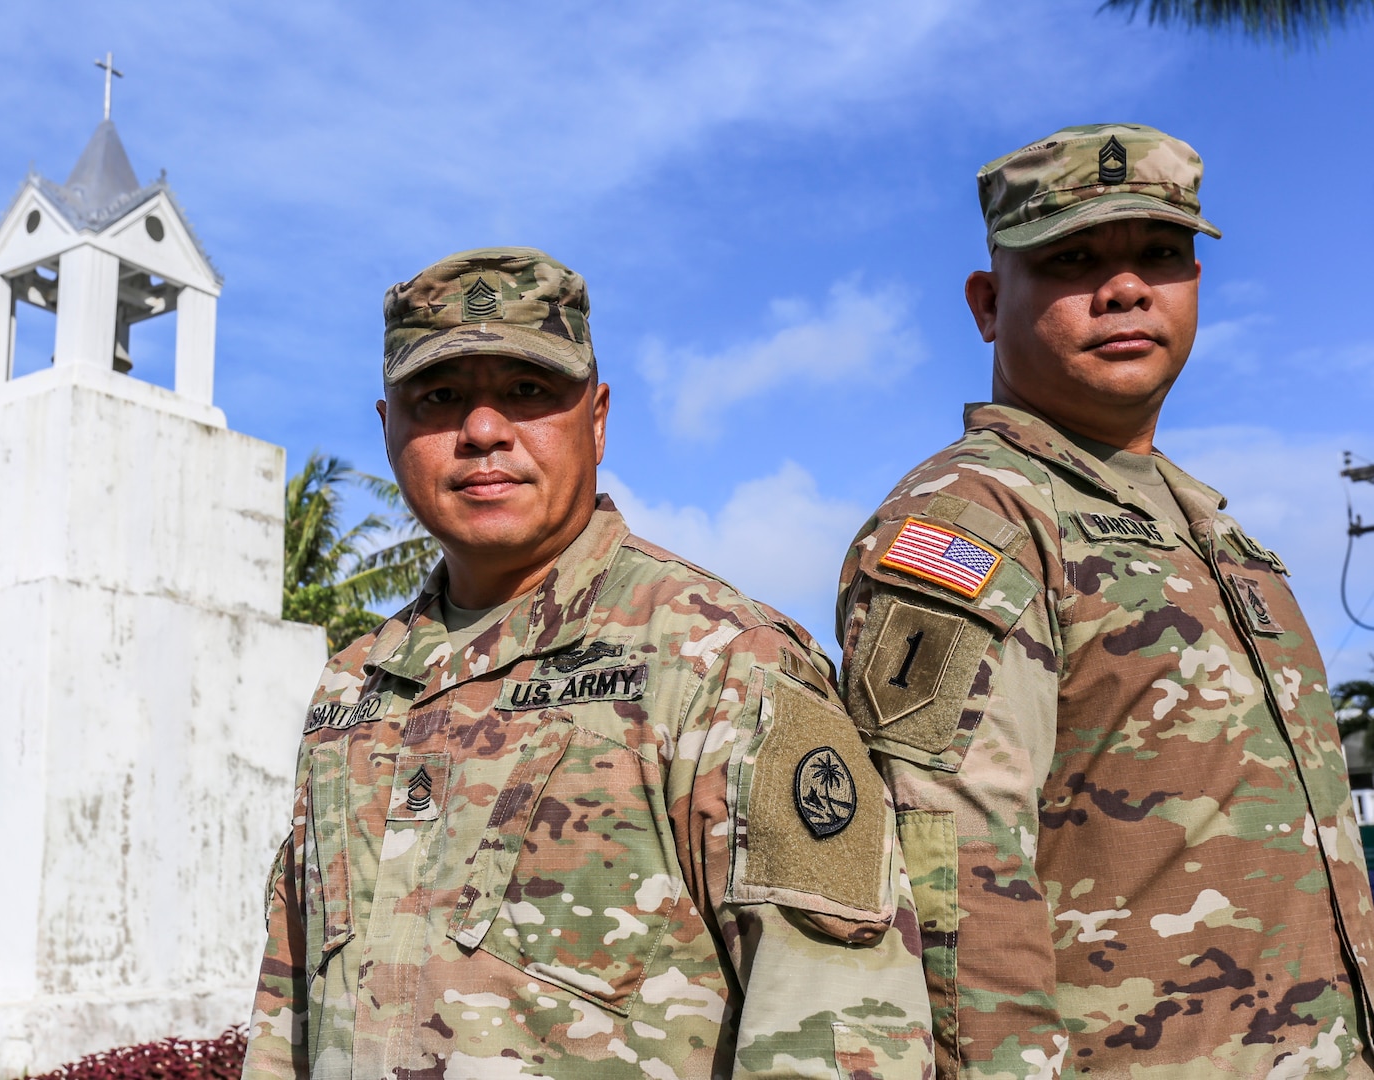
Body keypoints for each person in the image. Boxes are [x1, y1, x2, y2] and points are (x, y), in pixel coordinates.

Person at [243, 247, 932, 1079]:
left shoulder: (718, 659)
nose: (483, 431)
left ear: (597, 419)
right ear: (388, 429)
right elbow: (286, 1018)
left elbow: (839, 1034)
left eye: (528, 392)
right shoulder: (353, 688)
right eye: (441, 398)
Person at [835, 124, 1374, 1078]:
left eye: (1160, 255)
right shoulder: (977, 522)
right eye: (1073, 258)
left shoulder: (1215, 531)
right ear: (989, 303)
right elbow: (947, 875)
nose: (1125, 287)